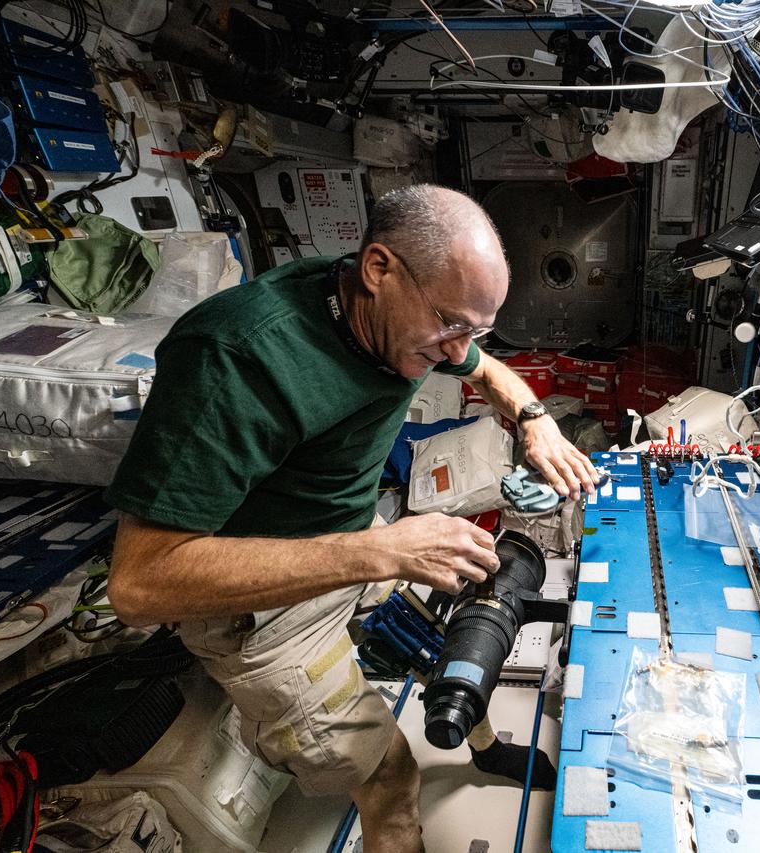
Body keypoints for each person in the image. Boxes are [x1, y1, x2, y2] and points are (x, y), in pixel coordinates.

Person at [105, 184, 599, 853]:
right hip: (263, 609)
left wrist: (533, 418)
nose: (458, 352)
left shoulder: (403, 311)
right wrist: (384, 552)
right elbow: (138, 586)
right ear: (377, 269)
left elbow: (483, 369)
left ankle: (484, 746)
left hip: (347, 541)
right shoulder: (235, 357)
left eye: (474, 331)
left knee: (460, 633)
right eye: (451, 326)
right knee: (393, 777)